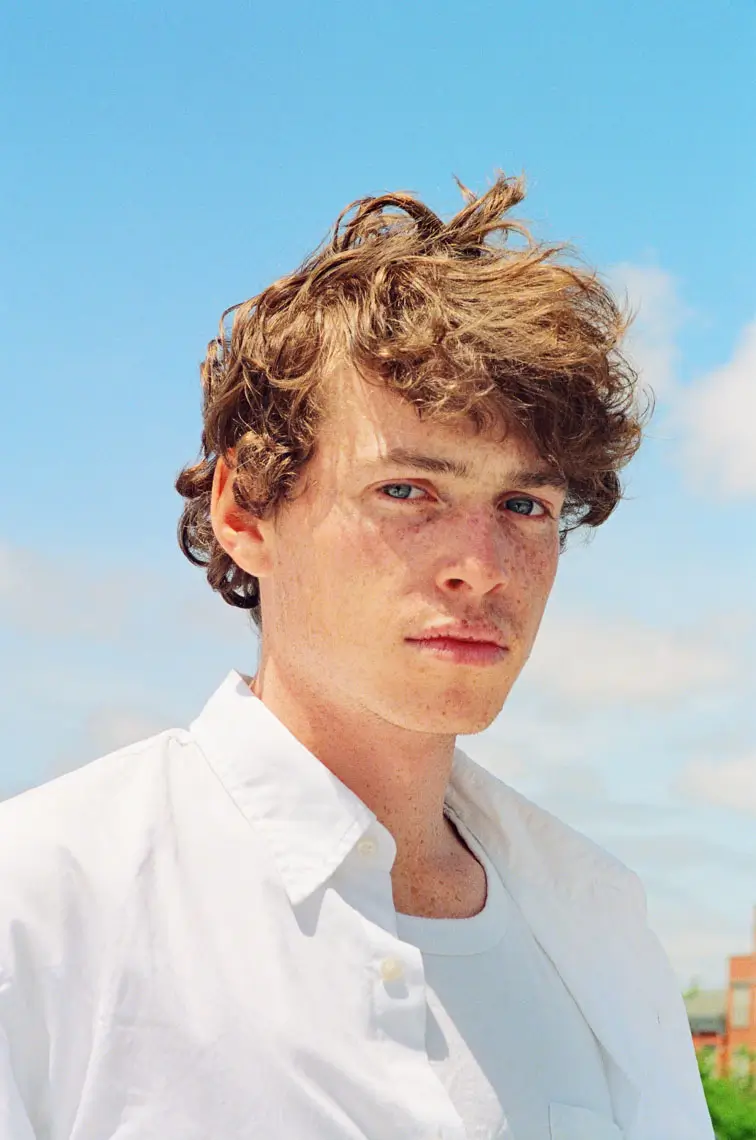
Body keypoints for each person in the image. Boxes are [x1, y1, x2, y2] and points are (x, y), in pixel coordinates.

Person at [0, 174, 713, 1140]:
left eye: (524, 505)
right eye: (407, 490)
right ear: (245, 512)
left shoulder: (599, 926)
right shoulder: (39, 906)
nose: (480, 567)